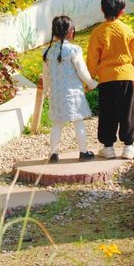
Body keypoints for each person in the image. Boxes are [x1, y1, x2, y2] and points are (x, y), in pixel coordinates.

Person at [86, 0, 134, 160]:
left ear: (102, 9)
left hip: (106, 78)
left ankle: (108, 147)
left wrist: (89, 80)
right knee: (127, 111)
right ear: (122, 11)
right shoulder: (127, 30)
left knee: (107, 112)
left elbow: (92, 58)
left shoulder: (98, 32)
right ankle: (129, 147)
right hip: (126, 76)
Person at [39, 15, 97, 164]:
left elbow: (46, 76)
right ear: (70, 31)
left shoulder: (47, 53)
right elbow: (82, 72)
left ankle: (53, 154)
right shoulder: (74, 50)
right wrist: (92, 83)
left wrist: (46, 92)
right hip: (73, 95)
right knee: (78, 122)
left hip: (56, 95)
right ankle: (83, 152)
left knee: (57, 124)